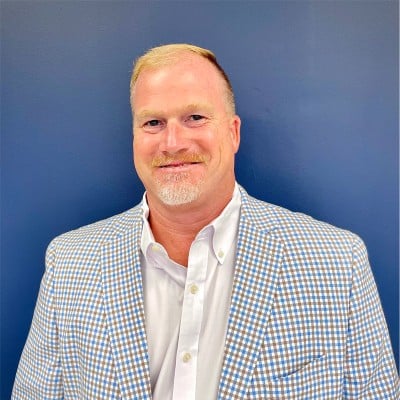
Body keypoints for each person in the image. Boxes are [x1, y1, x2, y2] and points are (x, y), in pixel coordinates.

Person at [13, 43, 398, 399]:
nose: (172, 143)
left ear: (233, 133)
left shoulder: (337, 262)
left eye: (195, 117)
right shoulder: (70, 263)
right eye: (153, 123)